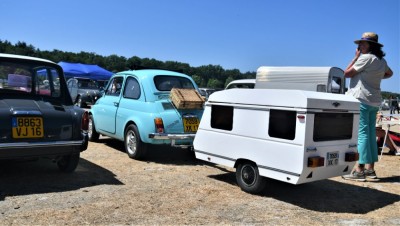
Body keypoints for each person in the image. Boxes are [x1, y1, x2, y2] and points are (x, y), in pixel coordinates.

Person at [342, 32, 393, 182]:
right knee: (370, 135)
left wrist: (355, 57)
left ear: (371, 45)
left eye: (363, 43)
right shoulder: (380, 60)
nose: (360, 46)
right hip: (374, 100)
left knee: (363, 134)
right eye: (360, 43)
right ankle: (370, 170)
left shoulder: (365, 58)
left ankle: (359, 170)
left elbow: (347, 73)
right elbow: (390, 73)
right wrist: (376, 76)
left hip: (361, 98)